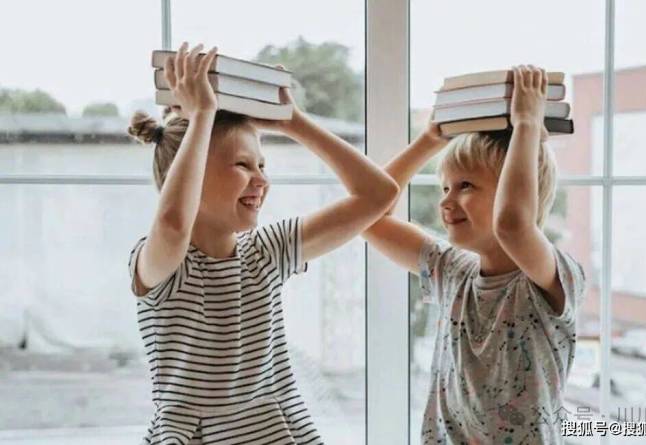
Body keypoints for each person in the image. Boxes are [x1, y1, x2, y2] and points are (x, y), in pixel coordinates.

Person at [127, 42, 398, 444]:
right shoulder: (165, 265)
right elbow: (172, 223)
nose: (261, 179)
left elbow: (378, 195)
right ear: (189, 174)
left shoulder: (266, 251)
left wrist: (295, 123)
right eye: (242, 164)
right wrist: (202, 115)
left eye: (262, 165)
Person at [362, 65, 586, 444]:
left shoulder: (550, 276)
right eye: (445, 188)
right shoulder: (451, 269)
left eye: (465, 185)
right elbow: (366, 217)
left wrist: (527, 124)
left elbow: (512, 225)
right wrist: (428, 141)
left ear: (521, 191)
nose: (446, 201)